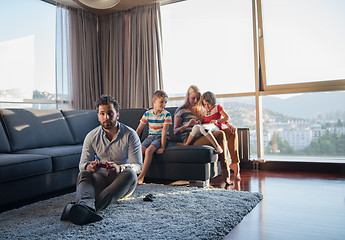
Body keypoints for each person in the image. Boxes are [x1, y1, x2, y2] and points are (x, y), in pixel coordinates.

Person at [60, 95, 142, 225]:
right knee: (84, 174)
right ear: (98, 116)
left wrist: (120, 168)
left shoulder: (130, 134)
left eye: (110, 113)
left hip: (121, 183)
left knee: (131, 174)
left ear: (117, 115)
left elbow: (138, 166)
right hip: (101, 180)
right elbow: (82, 165)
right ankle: (85, 207)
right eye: (102, 114)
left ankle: (86, 208)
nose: (106, 117)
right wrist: (89, 166)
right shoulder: (91, 136)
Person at [173, 85, 231, 185]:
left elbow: (214, 120)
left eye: (198, 98)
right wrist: (187, 124)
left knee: (222, 133)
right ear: (188, 96)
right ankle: (226, 174)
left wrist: (228, 124)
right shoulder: (181, 110)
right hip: (191, 139)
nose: (195, 101)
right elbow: (175, 131)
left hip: (202, 135)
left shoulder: (202, 109)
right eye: (193, 98)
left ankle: (226, 173)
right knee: (220, 134)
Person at [201, 91, 241, 180]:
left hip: (219, 129)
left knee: (232, 131)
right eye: (205, 105)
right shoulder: (203, 111)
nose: (207, 107)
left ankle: (235, 163)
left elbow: (227, 117)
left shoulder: (217, 107)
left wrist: (224, 123)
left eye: (209, 104)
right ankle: (226, 168)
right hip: (212, 133)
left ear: (213, 102)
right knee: (221, 133)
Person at [136, 90, 172, 184]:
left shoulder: (167, 115)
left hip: (161, 137)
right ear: (154, 101)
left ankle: (141, 176)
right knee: (139, 151)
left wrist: (163, 147)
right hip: (150, 137)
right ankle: (133, 174)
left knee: (149, 151)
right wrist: (134, 142)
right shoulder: (147, 114)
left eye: (165, 102)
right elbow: (139, 129)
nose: (164, 104)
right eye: (161, 102)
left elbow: (164, 132)